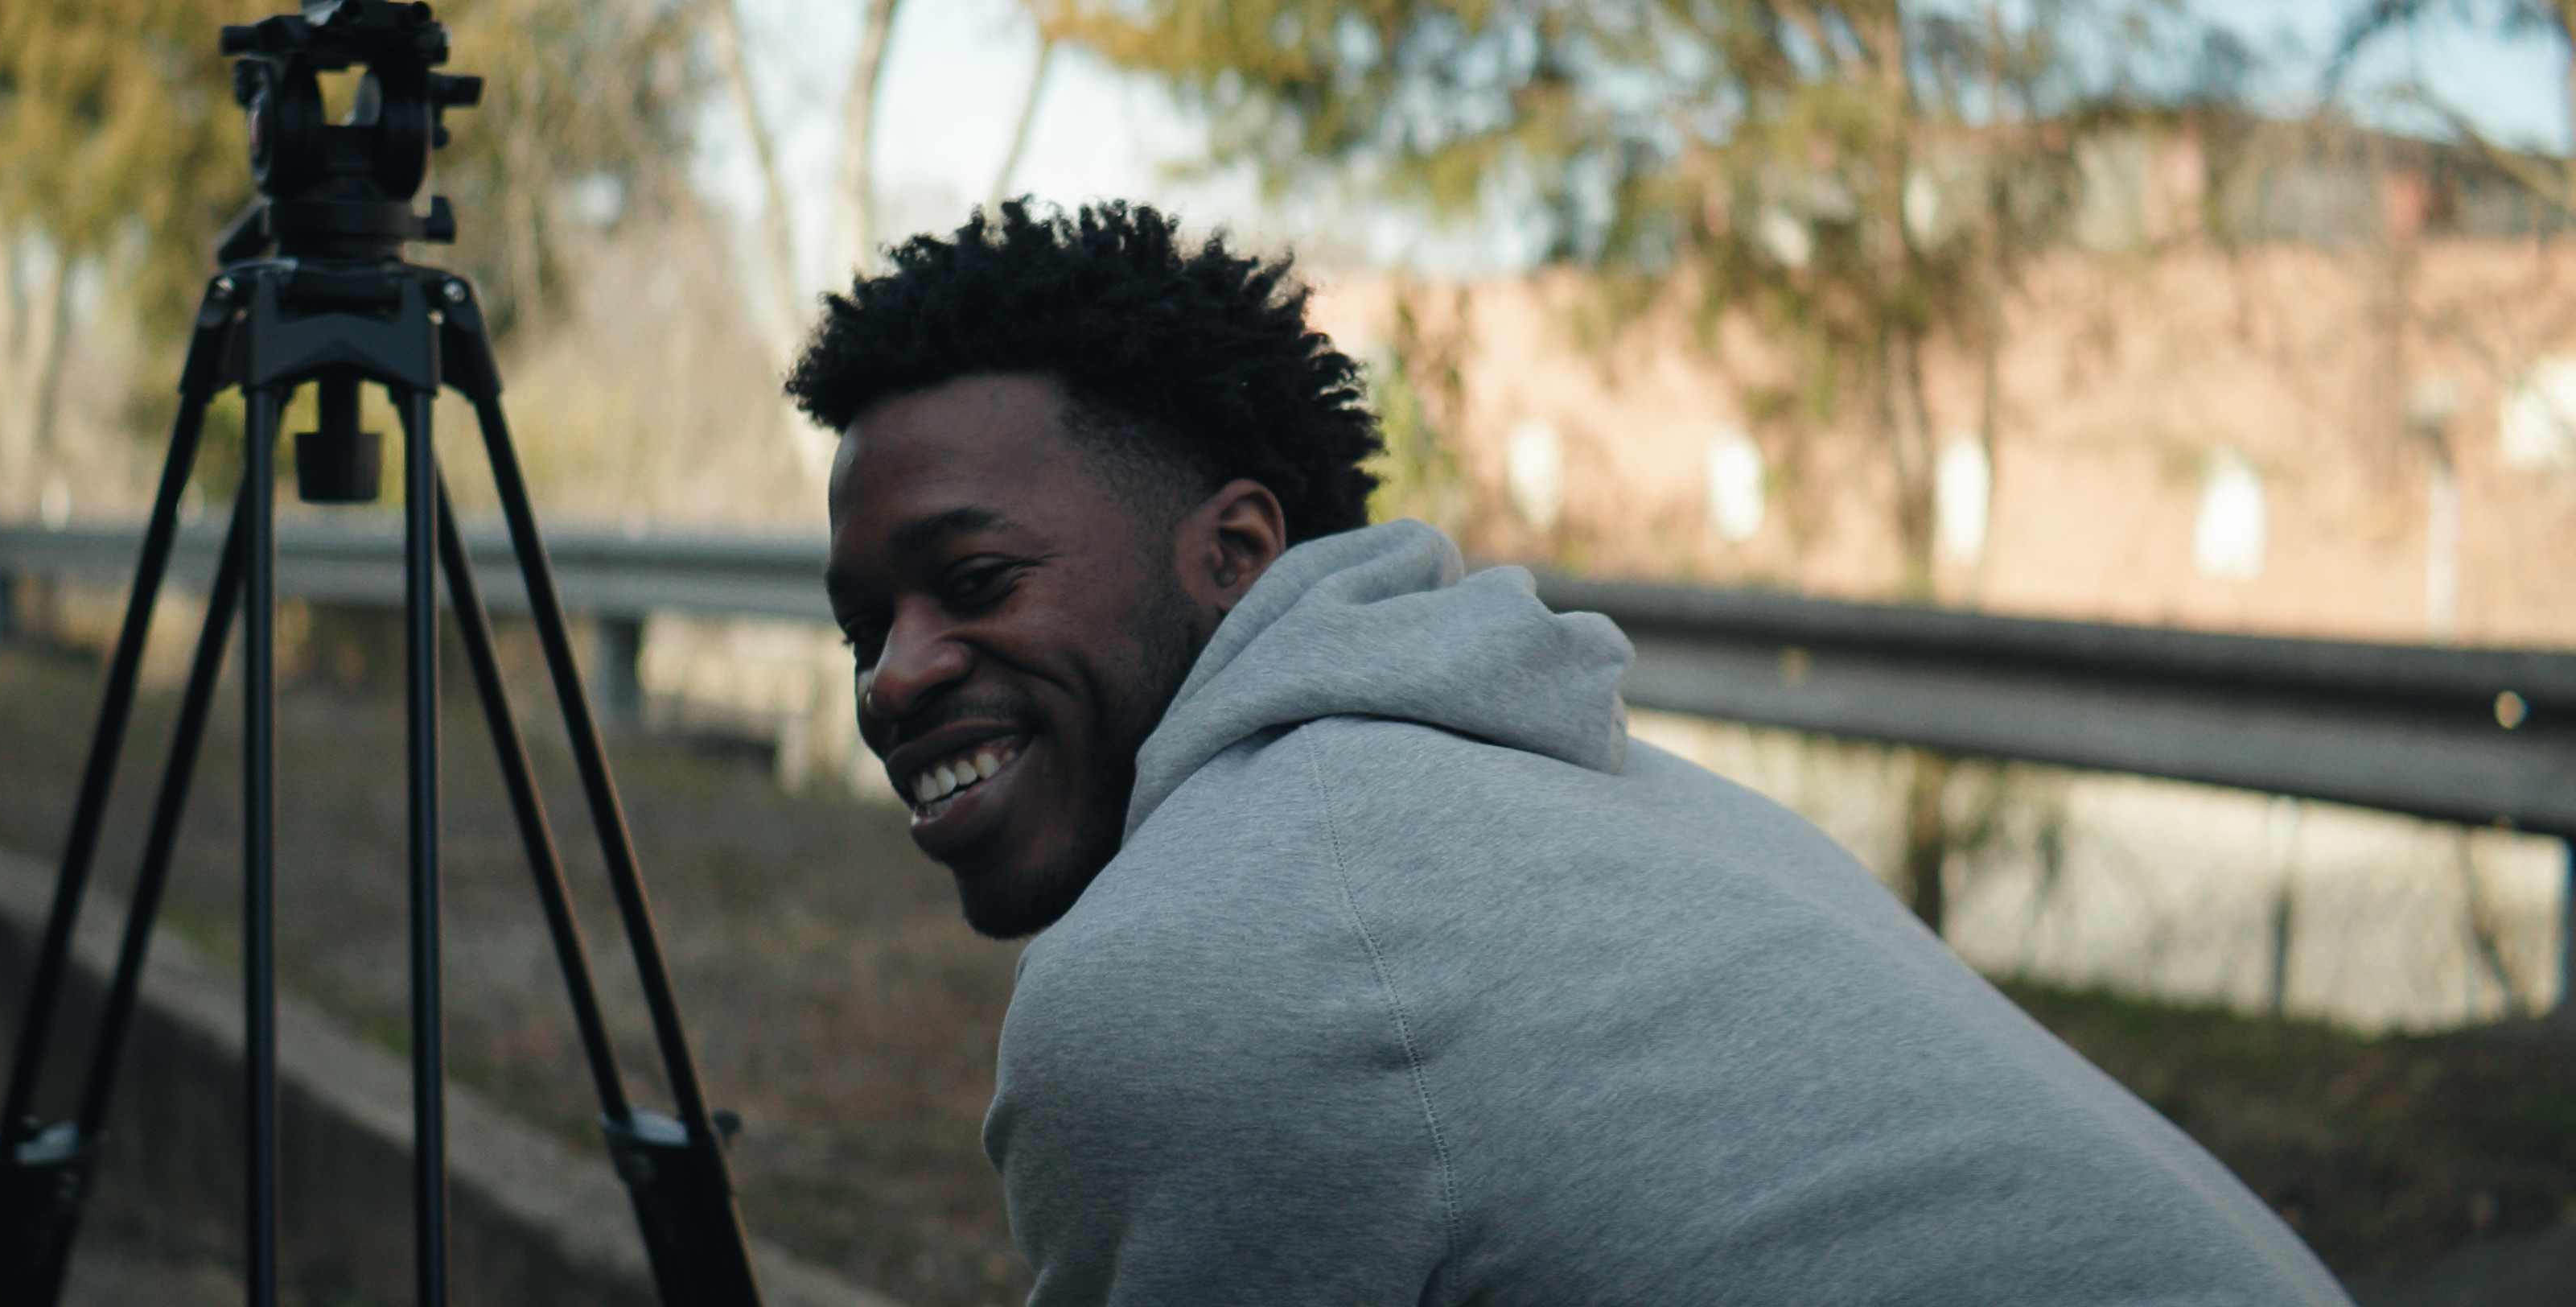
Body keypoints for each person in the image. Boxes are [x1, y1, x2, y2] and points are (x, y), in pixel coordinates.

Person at [790, 199, 2348, 1306]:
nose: (897, 675)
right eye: (865, 627)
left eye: (975, 579)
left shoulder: (1193, 962)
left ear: (1237, 552)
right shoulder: (1603, 801)